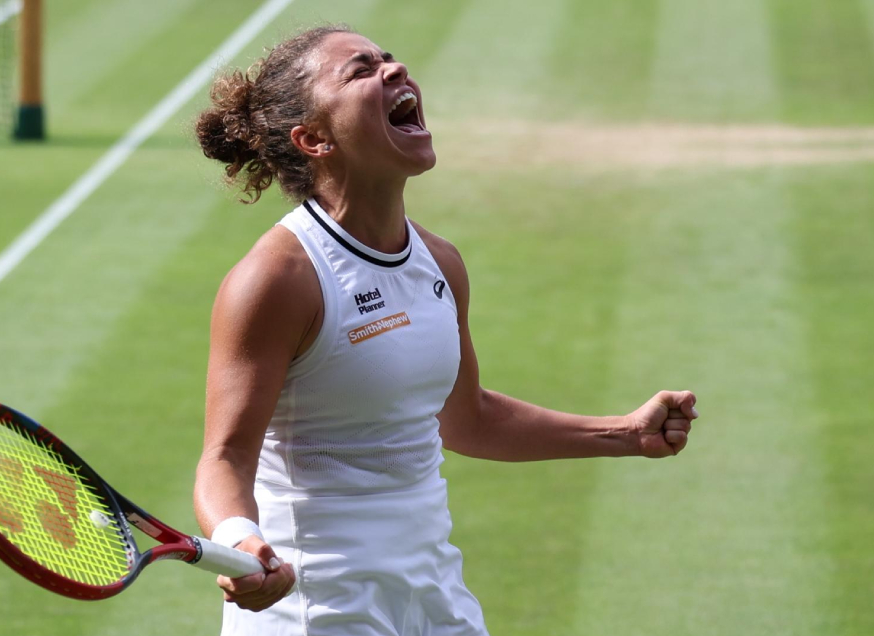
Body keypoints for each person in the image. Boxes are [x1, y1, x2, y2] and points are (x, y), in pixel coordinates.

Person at [192, 25, 699, 636]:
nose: (394, 69)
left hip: (433, 599)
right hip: (316, 608)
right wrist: (240, 539)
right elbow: (225, 456)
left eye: (387, 58)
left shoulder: (439, 263)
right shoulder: (279, 279)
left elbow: (466, 418)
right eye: (360, 71)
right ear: (314, 139)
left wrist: (626, 433)